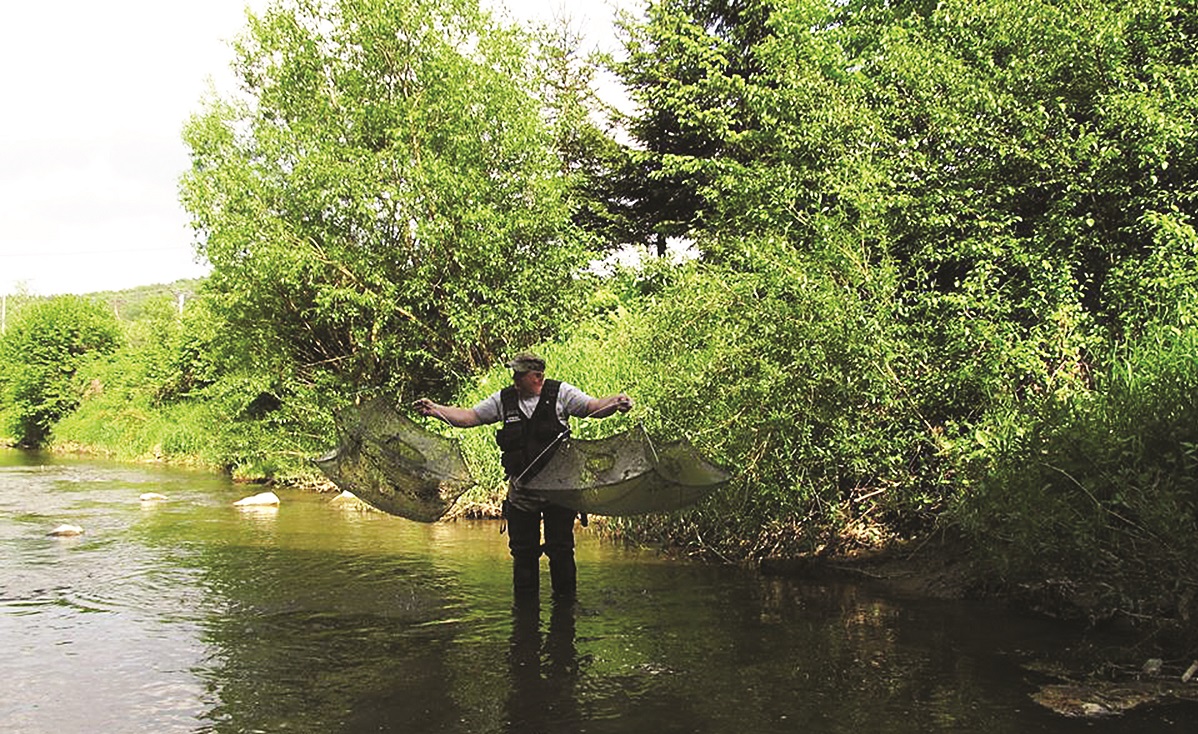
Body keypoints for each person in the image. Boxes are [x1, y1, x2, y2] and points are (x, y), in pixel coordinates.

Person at [413, 352, 632, 601]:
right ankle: (525, 615)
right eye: (514, 373)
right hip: (521, 493)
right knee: (523, 554)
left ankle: (565, 608)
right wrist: (435, 409)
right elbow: (470, 417)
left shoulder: (561, 394)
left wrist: (615, 403)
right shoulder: (504, 400)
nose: (515, 378)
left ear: (537, 376)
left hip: (560, 493)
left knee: (560, 551)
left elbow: (592, 407)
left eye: (520, 374)